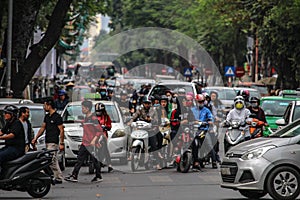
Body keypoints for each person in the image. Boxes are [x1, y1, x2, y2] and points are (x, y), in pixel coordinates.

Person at [65, 100, 103, 182]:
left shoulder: (93, 118)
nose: (82, 110)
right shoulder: (86, 118)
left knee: (94, 160)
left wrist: (94, 140)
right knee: (80, 159)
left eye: (83, 108)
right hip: (85, 142)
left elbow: (99, 131)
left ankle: (98, 176)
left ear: (87, 108)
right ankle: (74, 175)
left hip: (91, 143)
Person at [32, 100, 64, 184]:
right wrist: (36, 138)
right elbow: (43, 128)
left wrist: (61, 143)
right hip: (47, 140)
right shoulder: (47, 117)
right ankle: (56, 176)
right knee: (51, 159)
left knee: (52, 160)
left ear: (49, 106)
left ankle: (58, 177)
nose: (44, 107)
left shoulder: (57, 117)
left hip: (54, 141)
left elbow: (61, 130)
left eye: (45, 105)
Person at [127, 96, 160, 169]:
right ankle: (130, 154)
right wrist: (130, 122)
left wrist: (151, 120)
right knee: (131, 137)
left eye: (148, 103)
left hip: (150, 130)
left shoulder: (153, 111)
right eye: (145, 103)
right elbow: (134, 117)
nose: (147, 105)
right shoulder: (140, 110)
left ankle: (157, 163)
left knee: (154, 145)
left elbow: (156, 121)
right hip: (140, 129)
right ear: (143, 103)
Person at [191, 94, 216, 170]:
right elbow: (188, 118)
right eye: (199, 102)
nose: (200, 103)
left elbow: (211, 118)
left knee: (209, 144)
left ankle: (214, 161)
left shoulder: (206, 110)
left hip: (203, 130)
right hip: (193, 130)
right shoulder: (192, 110)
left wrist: (209, 122)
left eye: (202, 102)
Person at [0, 105, 25, 173]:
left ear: (12, 114)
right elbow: (2, 132)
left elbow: (12, 135)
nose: (4, 115)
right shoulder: (8, 123)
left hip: (16, 149)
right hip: (9, 147)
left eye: (6, 113)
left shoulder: (17, 123)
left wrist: (1, 138)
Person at [94, 102, 113, 173]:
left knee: (105, 148)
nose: (98, 113)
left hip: (102, 135)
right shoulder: (92, 116)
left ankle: (109, 164)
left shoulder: (106, 117)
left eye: (100, 111)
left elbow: (109, 125)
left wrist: (106, 127)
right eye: (97, 111)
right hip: (94, 134)